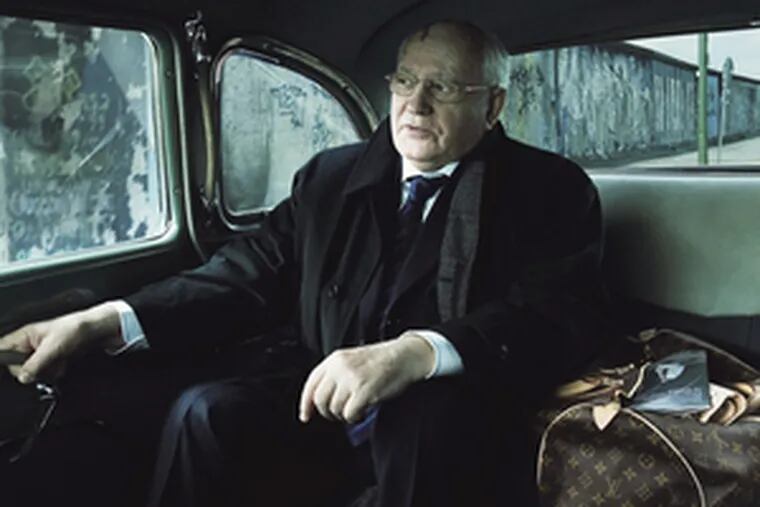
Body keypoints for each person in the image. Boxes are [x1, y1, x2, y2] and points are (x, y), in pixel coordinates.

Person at [0, 20, 608, 507]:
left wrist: (416, 353)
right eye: (404, 81)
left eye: (444, 87)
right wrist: (104, 320)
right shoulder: (330, 177)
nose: (416, 104)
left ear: (493, 104)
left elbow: (552, 314)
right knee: (206, 411)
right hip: (318, 393)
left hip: (445, 411)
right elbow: (244, 273)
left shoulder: (549, 190)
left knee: (424, 424)